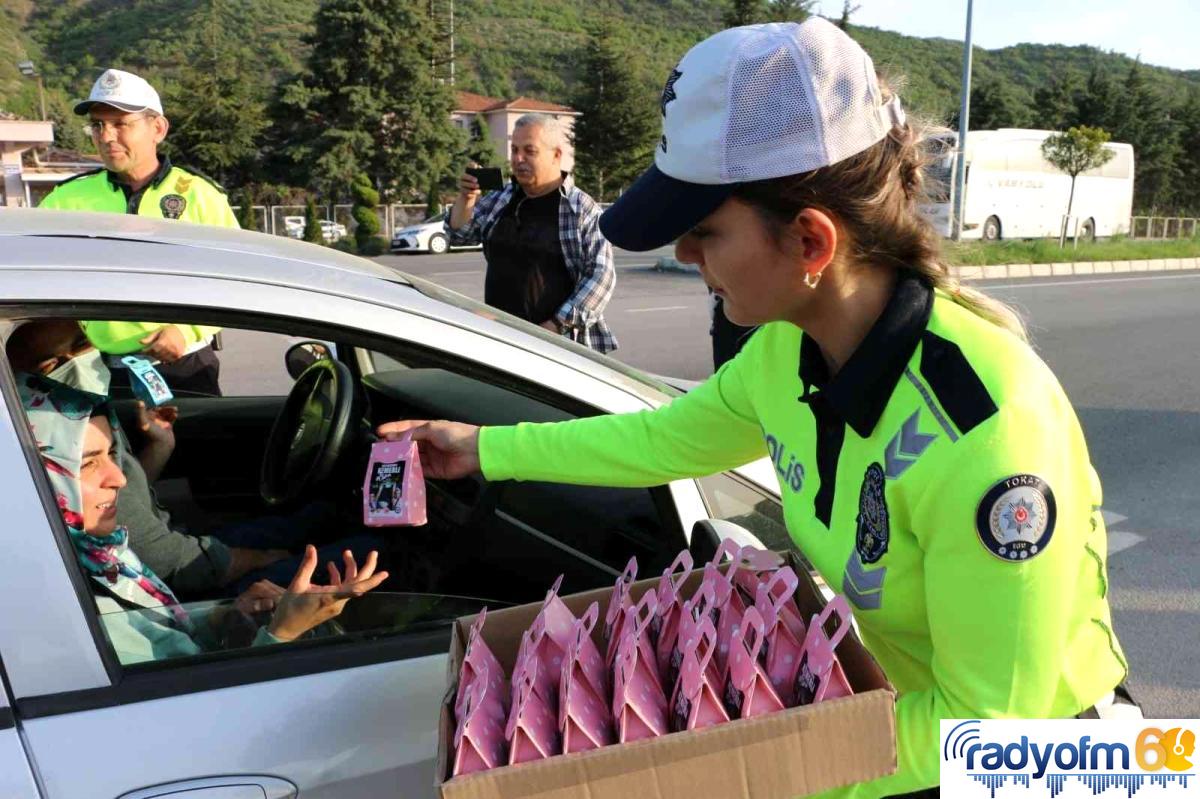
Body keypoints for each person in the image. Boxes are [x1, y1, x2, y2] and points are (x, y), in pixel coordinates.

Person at [379, 20, 1134, 798]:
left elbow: (985, 728)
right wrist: (483, 448)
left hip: (1050, 760)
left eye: (705, 231)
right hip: (901, 728)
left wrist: (738, 772)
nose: (683, 257)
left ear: (811, 241)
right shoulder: (784, 349)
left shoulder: (991, 434)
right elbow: (665, 437)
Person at [17, 372, 387, 665]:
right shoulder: (69, 609)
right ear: (26, 475)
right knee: (376, 548)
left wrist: (222, 618)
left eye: (112, 454)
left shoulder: (95, 552)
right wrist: (285, 631)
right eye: (86, 464)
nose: (119, 478)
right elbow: (205, 716)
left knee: (331, 519)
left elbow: (169, 637)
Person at [6, 319, 385, 598]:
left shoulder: (86, 417)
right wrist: (271, 558)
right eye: (54, 364)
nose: (83, 357)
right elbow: (172, 562)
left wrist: (159, 449)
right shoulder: (54, 444)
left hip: (179, 546)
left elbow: (124, 498)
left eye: (83, 342)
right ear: (25, 382)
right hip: (186, 578)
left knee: (325, 514)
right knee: (379, 555)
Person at [40, 68, 237, 397]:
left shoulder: (199, 196)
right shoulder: (66, 200)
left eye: (120, 124)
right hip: (95, 372)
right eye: (98, 125)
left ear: (157, 128)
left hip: (184, 370)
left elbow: (236, 279)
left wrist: (188, 332)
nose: (106, 136)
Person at [447, 114, 618, 353]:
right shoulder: (502, 197)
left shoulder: (581, 209)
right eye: (514, 149)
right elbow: (460, 235)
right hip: (500, 338)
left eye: (530, 151)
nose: (518, 159)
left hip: (558, 346)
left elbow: (601, 277)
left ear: (556, 155)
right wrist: (466, 198)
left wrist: (555, 326)